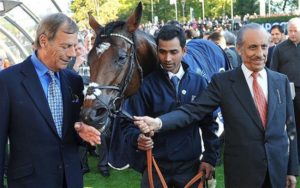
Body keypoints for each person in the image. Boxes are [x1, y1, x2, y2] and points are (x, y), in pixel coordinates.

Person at [134, 23, 299, 188]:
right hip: (242, 174)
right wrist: (159, 122)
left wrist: (291, 169)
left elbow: (290, 128)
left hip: (277, 171)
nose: (260, 54)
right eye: (253, 47)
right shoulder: (222, 82)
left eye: (264, 47)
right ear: (239, 49)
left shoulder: (280, 81)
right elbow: (193, 110)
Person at [0, 13, 100, 188]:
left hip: (71, 180)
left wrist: (80, 131)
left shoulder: (74, 80)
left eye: (74, 46)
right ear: (44, 41)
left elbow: (70, 131)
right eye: (65, 46)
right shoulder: (7, 81)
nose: (71, 54)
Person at [121, 24, 219, 187]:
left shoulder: (199, 82)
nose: (167, 58)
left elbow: (209, 124)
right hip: (155, 167)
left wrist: (209, 158)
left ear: (184, 51)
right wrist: (137, 138)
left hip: (190, 167)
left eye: (173, 52)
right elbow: (127, 124)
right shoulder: (146, 84)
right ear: (157, 50)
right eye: (162, 52)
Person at [270, 17, 300, 165]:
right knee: (291, 126)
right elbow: (273, 71)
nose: (293, 33)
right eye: (290, 31)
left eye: (296, 31)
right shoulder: (279, 48)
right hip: (288, 92)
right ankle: (293, 158)